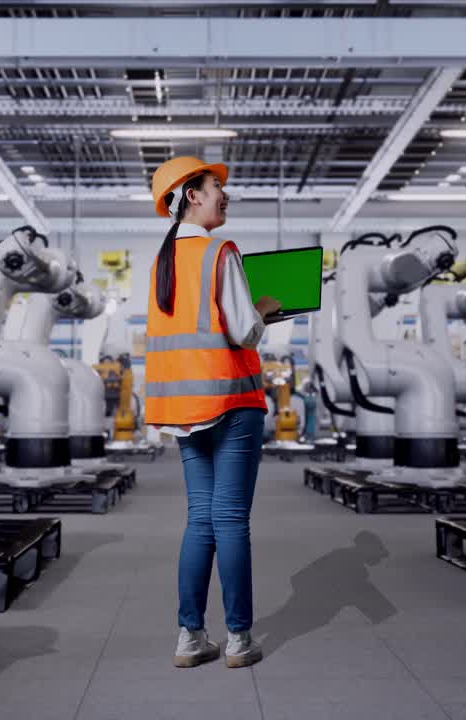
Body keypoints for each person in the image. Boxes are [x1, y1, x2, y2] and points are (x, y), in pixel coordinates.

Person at [144, 156, 281, 669]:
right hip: (231, 401)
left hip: (183, 408)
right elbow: (243, 330)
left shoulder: (161, 262)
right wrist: (264, 308)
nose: (225, 194)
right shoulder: (219, 251)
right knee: (230, 521)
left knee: (200, 520)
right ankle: (240, 639)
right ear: (192, 195)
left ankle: (190, 636)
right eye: (217, 187)